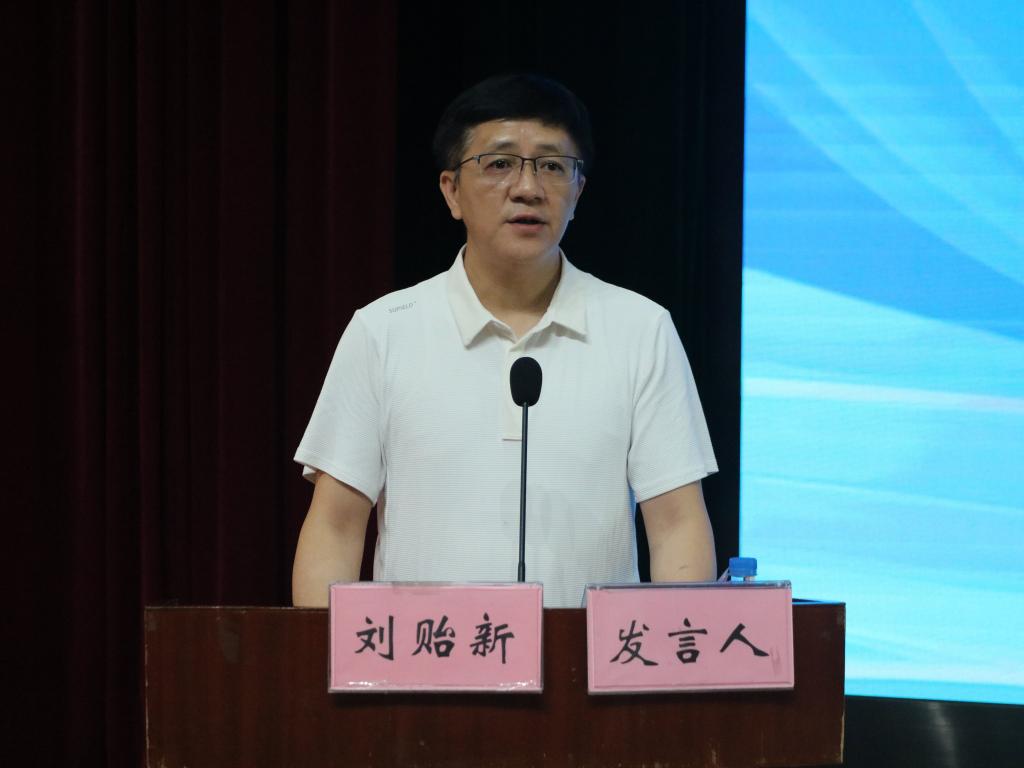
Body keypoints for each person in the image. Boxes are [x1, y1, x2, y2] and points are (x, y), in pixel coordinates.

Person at [292, 73, 717, 608]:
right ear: (451, 191)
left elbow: (677, 525)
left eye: (552, 166)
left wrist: (676, 654)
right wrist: (320, 656)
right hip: (425, 657)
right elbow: (335, 527)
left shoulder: (641, 329)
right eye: (499, 164)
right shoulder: (383, 331)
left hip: (589, 660)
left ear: (578, 192)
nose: (527, 188)